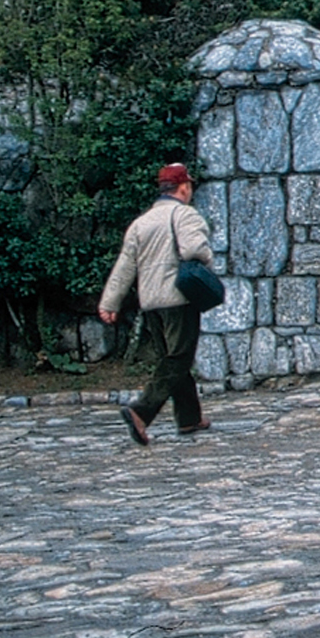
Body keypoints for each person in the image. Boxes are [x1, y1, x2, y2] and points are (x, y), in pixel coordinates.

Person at [99, 160, 217, 444]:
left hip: (150, 300)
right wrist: (207, 259)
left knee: (172, 358)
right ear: (183, 187)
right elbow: (194, 250)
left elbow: (124, 267)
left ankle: (189, 418)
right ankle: (141, 411)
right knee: (179, 358)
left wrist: (109, 303)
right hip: (178, 296)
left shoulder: (140, 223)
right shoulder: (184, 215)